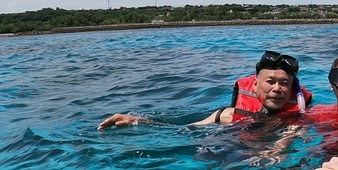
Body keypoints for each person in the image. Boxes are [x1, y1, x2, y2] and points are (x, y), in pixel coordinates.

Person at [97, 50, 313, 129]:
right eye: (270, 81)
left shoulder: (297, 124)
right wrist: (137, 121)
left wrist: (275, 152)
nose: (277, 88)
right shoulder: (226, 116)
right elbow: (182, 130)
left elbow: (284, 146)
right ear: (255, 84)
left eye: (284, 83)